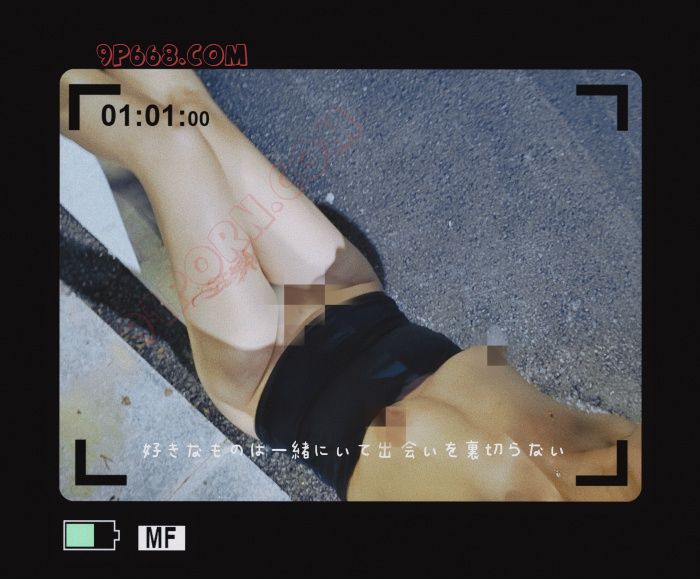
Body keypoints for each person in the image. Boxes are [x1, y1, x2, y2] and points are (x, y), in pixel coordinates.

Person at [60, 69, 641, 501]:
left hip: (265, 368)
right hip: (355, 301)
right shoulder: (627, 459)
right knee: (193, 114)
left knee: (173, 144)